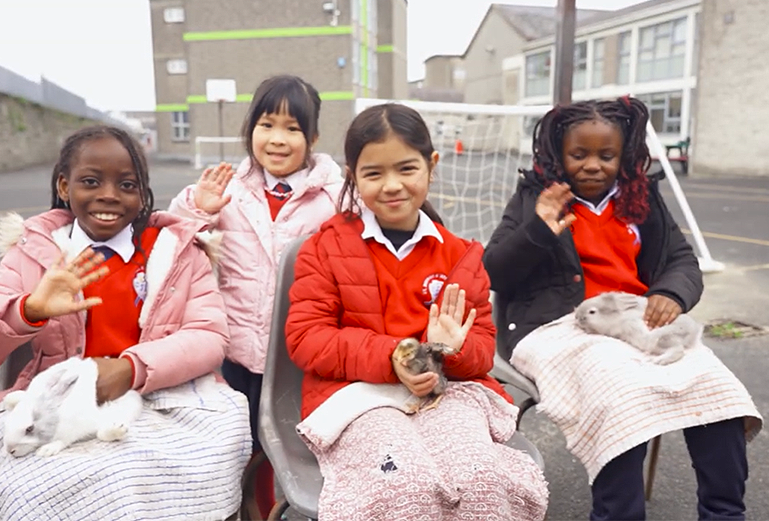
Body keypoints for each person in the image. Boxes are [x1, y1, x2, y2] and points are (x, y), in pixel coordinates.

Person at [0, 125, 251, 520]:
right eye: (91, 181)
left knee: (151, 480)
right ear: (64, 186)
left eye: (127, 184)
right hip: (59, 409)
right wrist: (28, 309)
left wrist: (130, 368)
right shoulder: (35, 254)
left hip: (163, 397)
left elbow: (209, 335)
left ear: (143, 193)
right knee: (8, 492)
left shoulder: (177, 251)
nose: (109, 195)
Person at [484, 97, 761, 521]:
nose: (592, 165)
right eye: (579, 154)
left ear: (624, 155)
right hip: (558, 326)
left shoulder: (639, 198)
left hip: (635, 318)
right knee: (620, 393)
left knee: (715, 386)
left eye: (606, 155)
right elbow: (493, 273)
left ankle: (724, 513)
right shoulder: (536, 198)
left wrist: (671, 293)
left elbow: (681, 260)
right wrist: (537, 229)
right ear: (559, 154)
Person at [284, 103, 549, 521]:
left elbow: (481, 352)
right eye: (374, 174)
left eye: (407, 169)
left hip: (450, 395)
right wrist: (396, 355)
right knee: (405, 484)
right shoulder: (324, 248)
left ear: (431, 165)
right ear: (353, 176)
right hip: (358, 397)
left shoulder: (461, 255)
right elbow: (307, 339)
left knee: (481, 479)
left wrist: (450, 351)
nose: (392, 186)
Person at [168, 74, 342, 518]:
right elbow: (172, 245)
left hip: (298, 357)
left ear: (313, 137)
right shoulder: (225, 189)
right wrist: (198, 211)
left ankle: (277, 505)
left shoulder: (334, 198)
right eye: (267, 125)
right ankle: (239, 505)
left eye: (292, 128)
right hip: (236, 352)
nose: (277, 139)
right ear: (250, 131)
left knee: (290, 444)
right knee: (235, 444)